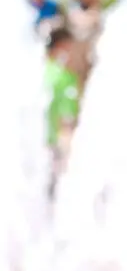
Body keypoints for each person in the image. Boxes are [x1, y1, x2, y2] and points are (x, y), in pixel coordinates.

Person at [44, 26, 81, 197]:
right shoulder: (64, 76)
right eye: (69, 47)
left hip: (44, 141)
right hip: (54, 142)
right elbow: (68, 118)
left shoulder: (37, 69)